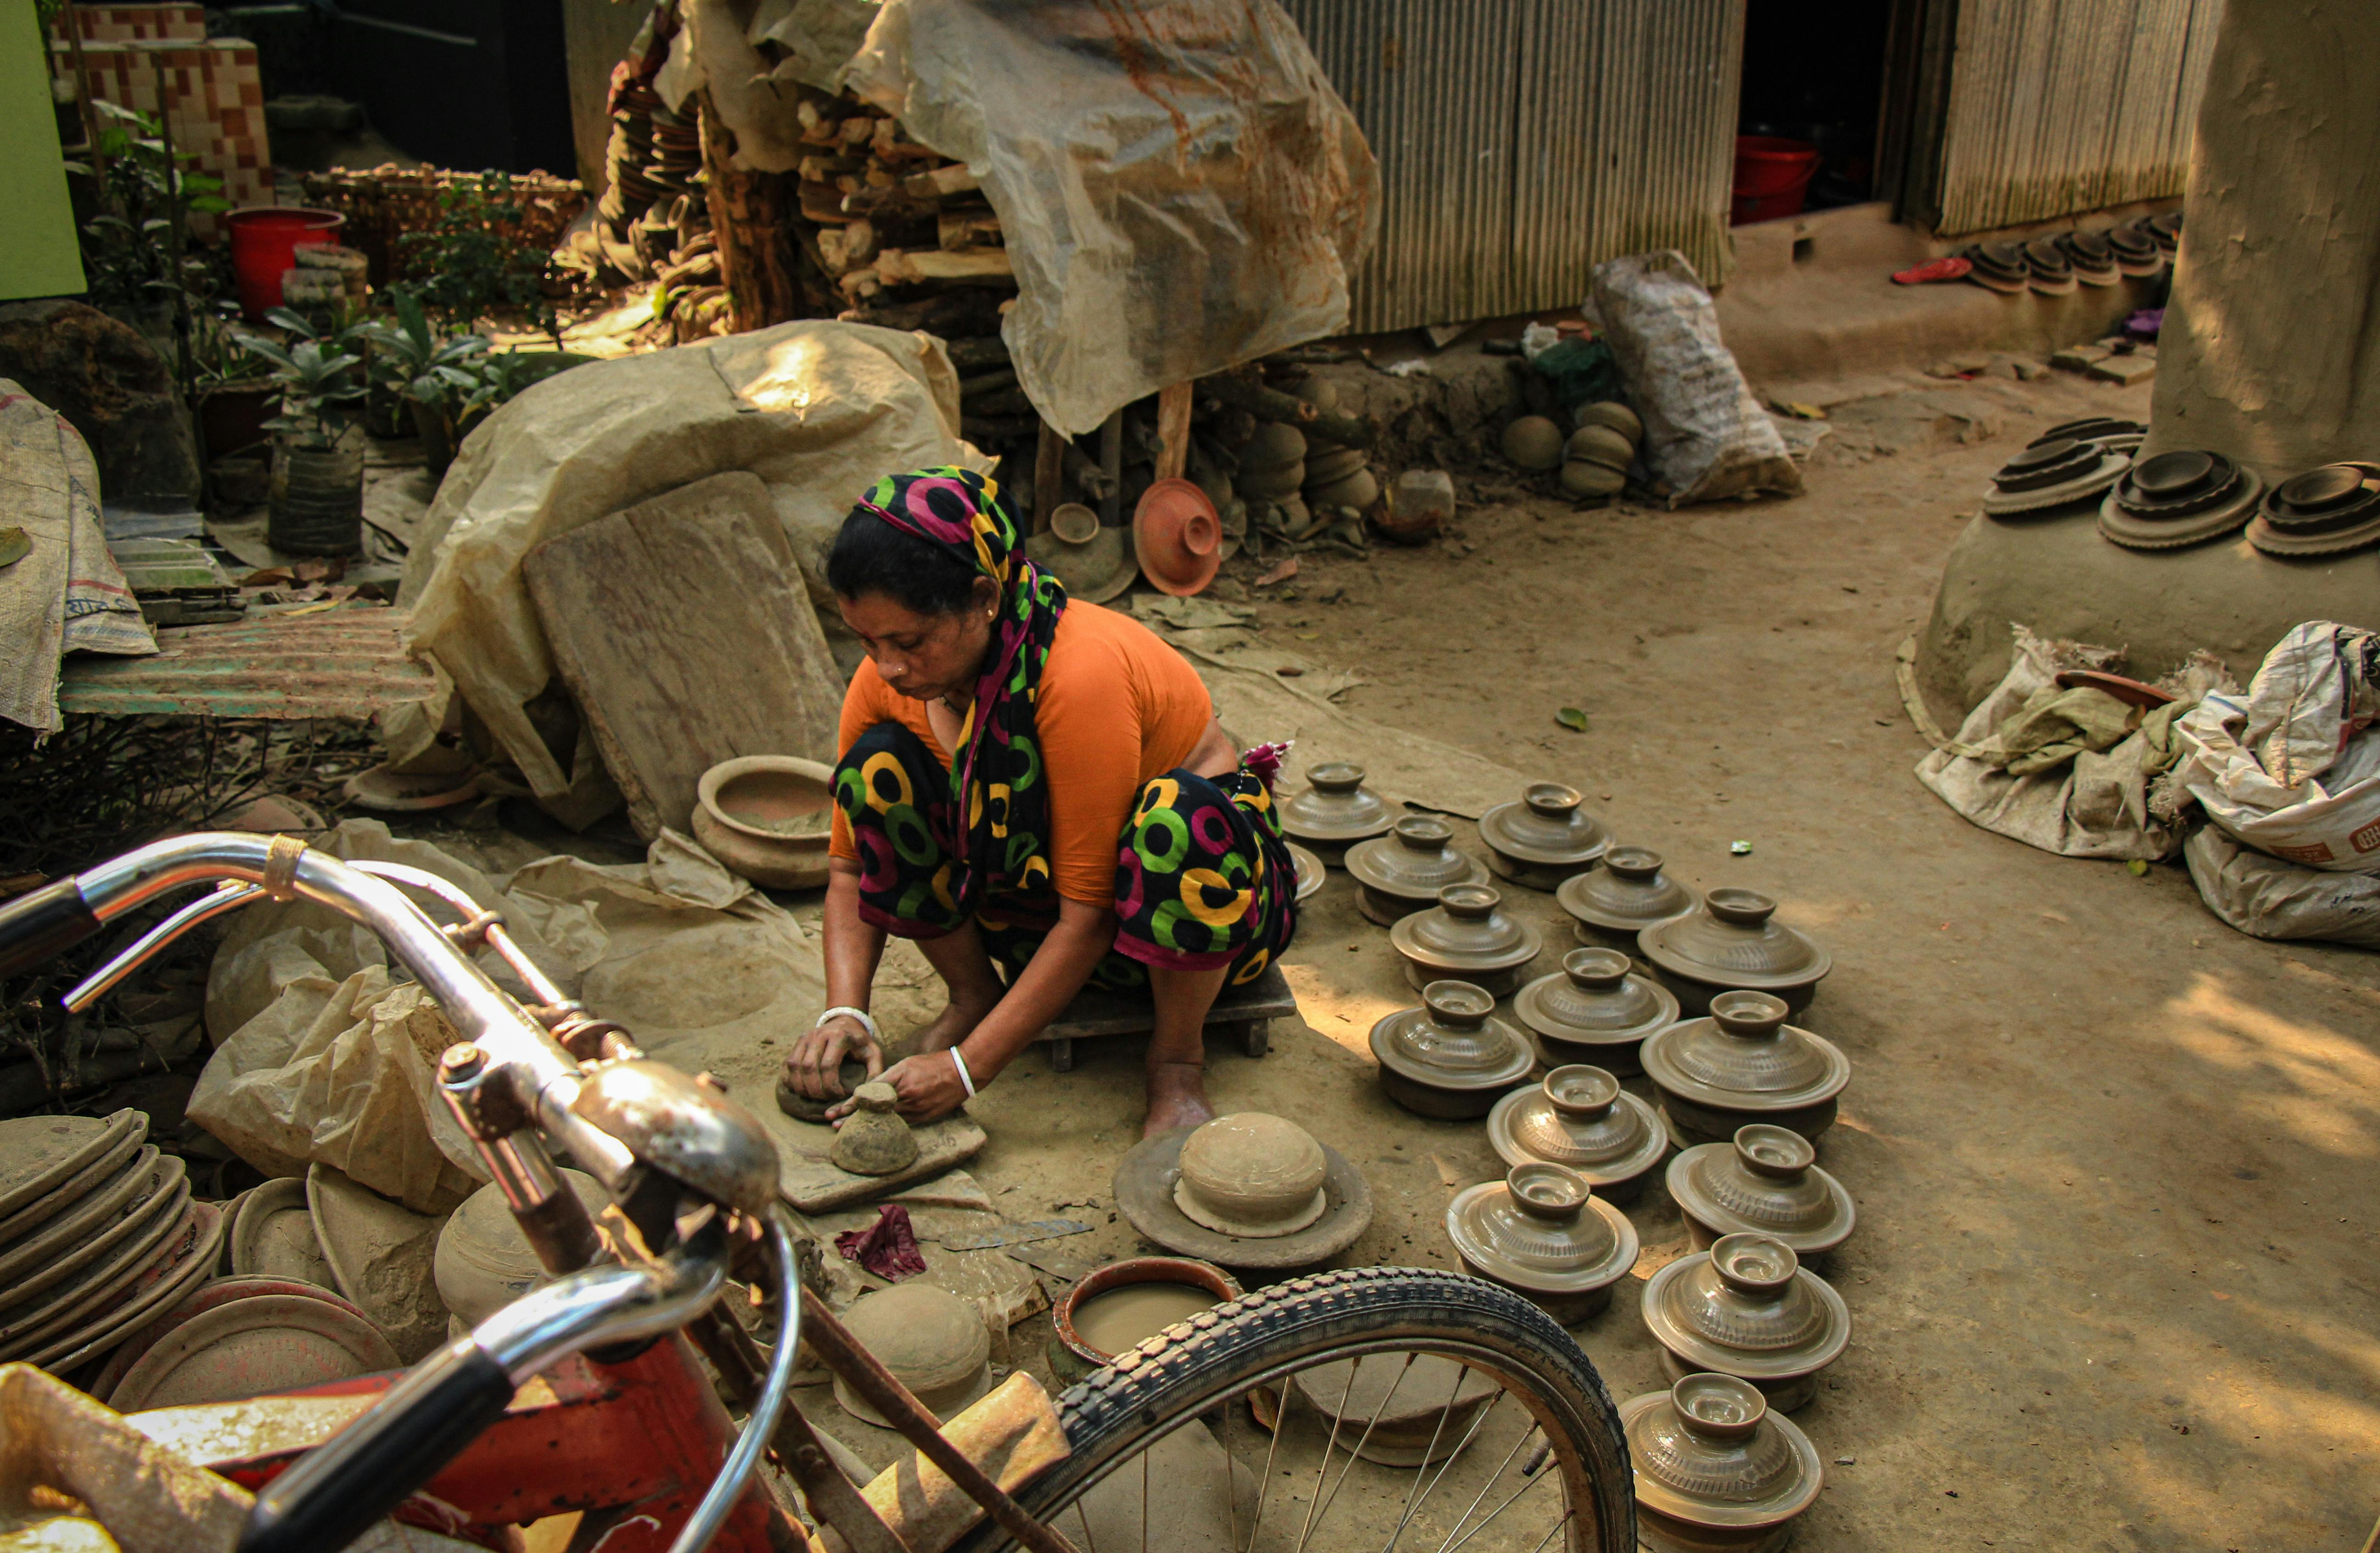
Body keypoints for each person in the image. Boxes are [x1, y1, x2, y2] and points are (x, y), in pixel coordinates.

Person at [780, 466, 1297, 1137]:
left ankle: (1176, 1061)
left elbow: (1091, 914)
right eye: (867, 642)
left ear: (984, 599)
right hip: (1036, 914)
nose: (887, 668)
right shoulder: (889, 682)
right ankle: (974, 996)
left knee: (1176, 819)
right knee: (880, 769)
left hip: (1197, 913)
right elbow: (850, 869)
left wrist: (969, 1071)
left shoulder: (1076, 676)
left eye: (907, 641)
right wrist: (844, 1012)